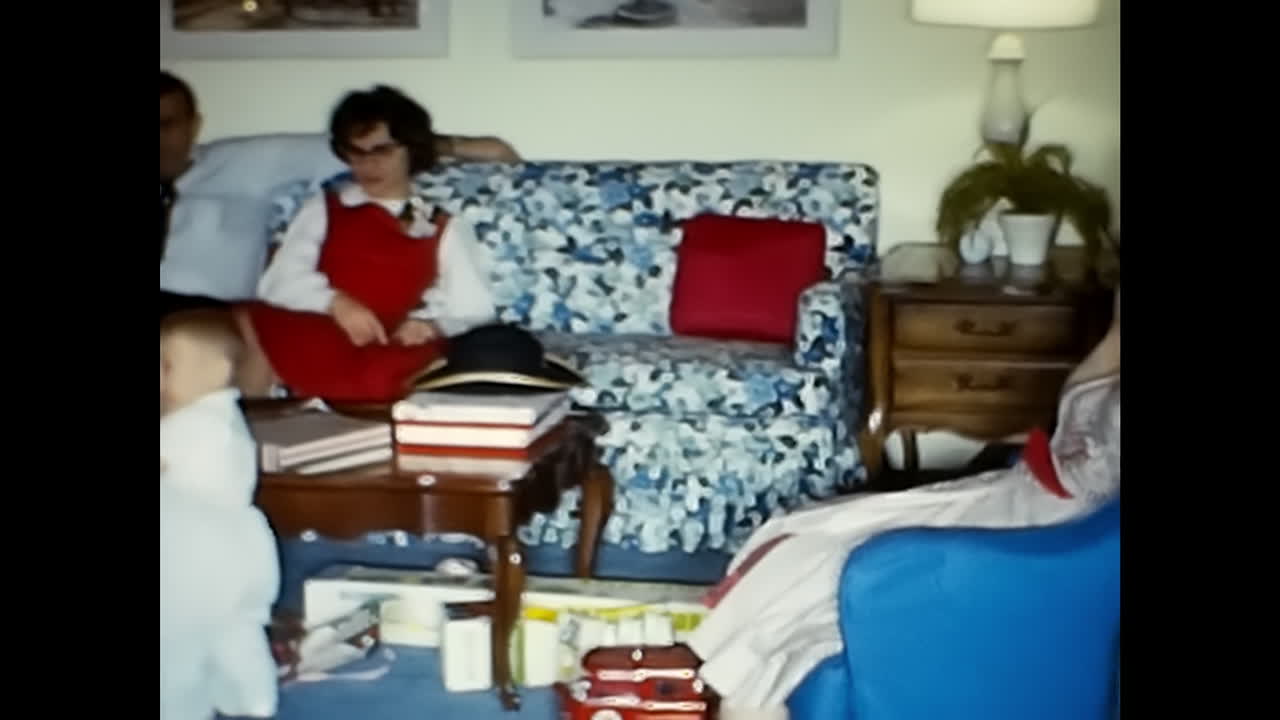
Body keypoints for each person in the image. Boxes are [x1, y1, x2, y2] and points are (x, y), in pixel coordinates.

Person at [686, 287, 1121, 720]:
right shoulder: (1112, 353)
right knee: (805, 535)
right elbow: (1089, 386)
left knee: (830, 580)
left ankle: (755, 685)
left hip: (1050, 530)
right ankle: (737, 675)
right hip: (1012, 490)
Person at [160, 70, 520, 320]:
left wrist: (428, 144)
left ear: (194, 125)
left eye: (166, 125)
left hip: (204, 314)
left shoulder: (246, 161)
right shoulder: (327, 207)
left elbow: (365, 142)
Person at [233, 84, 498, 403]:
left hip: (387, 338)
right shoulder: (327, 206)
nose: (368, 166)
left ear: (410, 149)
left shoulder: (440, 224)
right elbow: (278, 281)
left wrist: (433, 325)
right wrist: (337, 303)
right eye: (356, 153)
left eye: (381, 151)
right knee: (248, 327)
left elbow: (475, 307)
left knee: (385, 377)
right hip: (316, 323)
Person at [160, 309, 280, 720]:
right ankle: (252, 700)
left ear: (215, 368)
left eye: (168, 367)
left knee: (185, 634)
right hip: (240, 547)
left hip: (203, 556)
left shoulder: (195, 425)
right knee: (236, 632)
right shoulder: (221, 417)